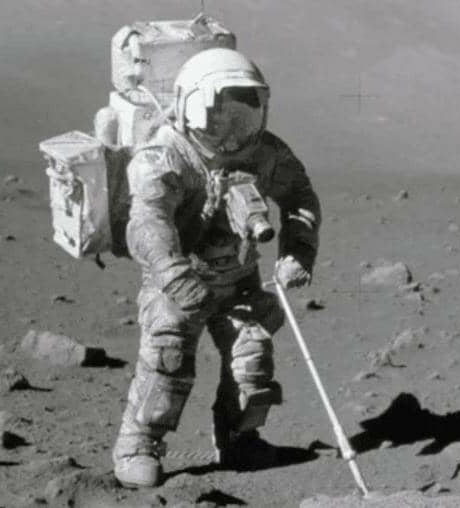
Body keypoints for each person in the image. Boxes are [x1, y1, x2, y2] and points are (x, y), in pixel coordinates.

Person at [112, 48, 321, 488]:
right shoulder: (165, 155)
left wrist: (297, 253)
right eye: (218, 119)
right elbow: (148, 221)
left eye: (243, 119)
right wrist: (175, 275)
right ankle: (138, 445)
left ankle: (240, 439)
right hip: (177, 282)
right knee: (168, 359)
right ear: (190, 107)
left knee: (252, 357)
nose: (230, 135)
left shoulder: (265, 154)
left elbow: (300, 198)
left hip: (238, 281)